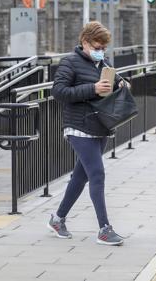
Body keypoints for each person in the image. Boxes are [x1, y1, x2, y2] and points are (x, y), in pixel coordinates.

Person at [48, 21, 128, 246]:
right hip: (78, 127)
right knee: (97, 174)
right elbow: (58, 91)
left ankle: (58, 218)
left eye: (103, 47)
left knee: (81, 177)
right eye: (96, 45)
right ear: (84, 41)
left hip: (100, 125)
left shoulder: (103, 61)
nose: (100, 50)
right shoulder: (69, 63)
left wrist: (122, 85)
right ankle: (104, 229)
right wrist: (92, 89)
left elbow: (114, 80)